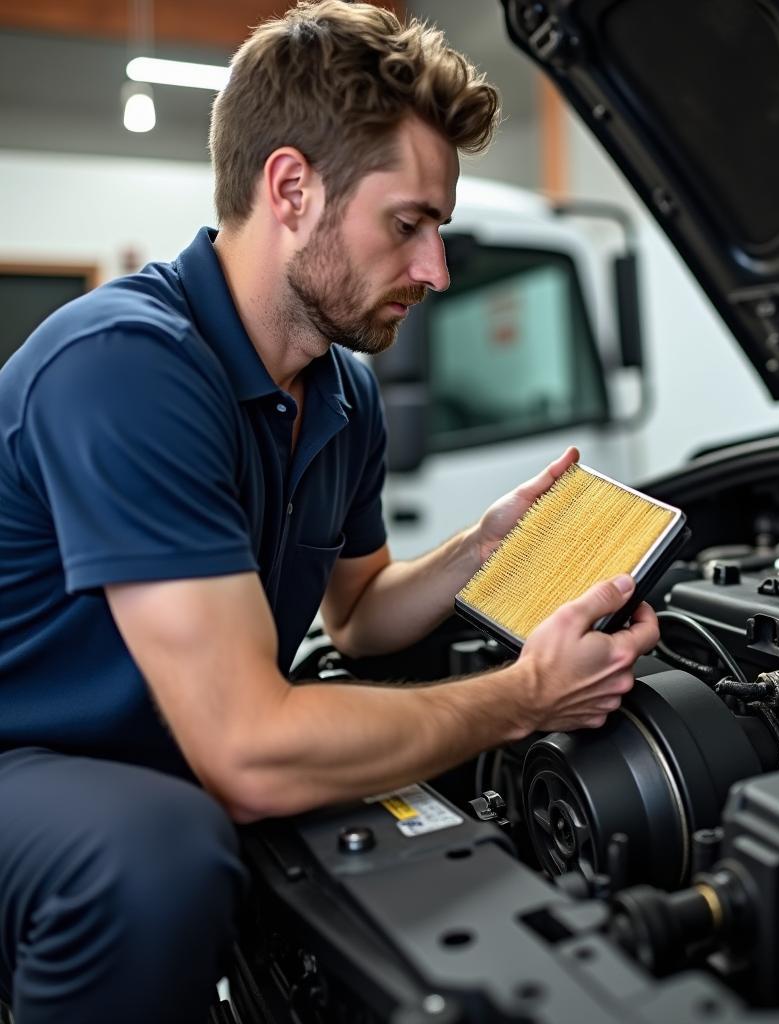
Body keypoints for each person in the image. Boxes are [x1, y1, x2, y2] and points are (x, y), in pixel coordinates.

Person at [0, 3, 659, 1021]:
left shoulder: (341, 397)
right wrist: (525, 696)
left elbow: (358, 613)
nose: (435, 270)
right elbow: (251, 753)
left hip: (176, 755)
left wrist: (488, 547)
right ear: (293, 188)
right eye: (409, 225)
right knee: (152, 856)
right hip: (31, 761)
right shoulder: (123, 365)